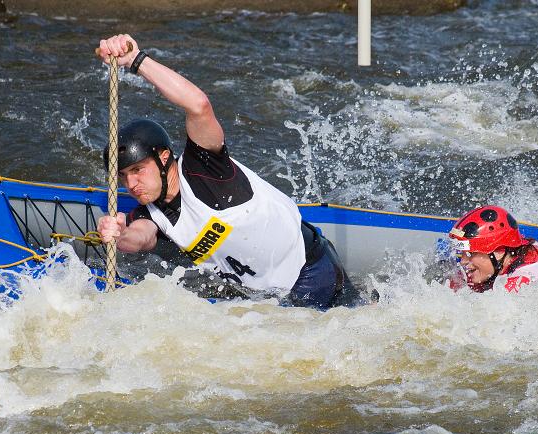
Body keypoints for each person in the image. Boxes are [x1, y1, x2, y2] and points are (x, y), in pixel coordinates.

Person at [95, 34, 355, 309]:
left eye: (137, 169)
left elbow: (199, 105)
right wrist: (119, 236)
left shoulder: (204, 168)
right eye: (123, 176)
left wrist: (136, 60)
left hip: (311, 269)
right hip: (269, 296)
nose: (131, 183)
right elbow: (141, 237)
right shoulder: (151, 213)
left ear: (164, 158)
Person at [447, 205, 538, 293]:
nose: (463, 261)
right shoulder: (523, 248)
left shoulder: (520, 286)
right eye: (463, 253)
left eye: (471, 253)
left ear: (499, 251)